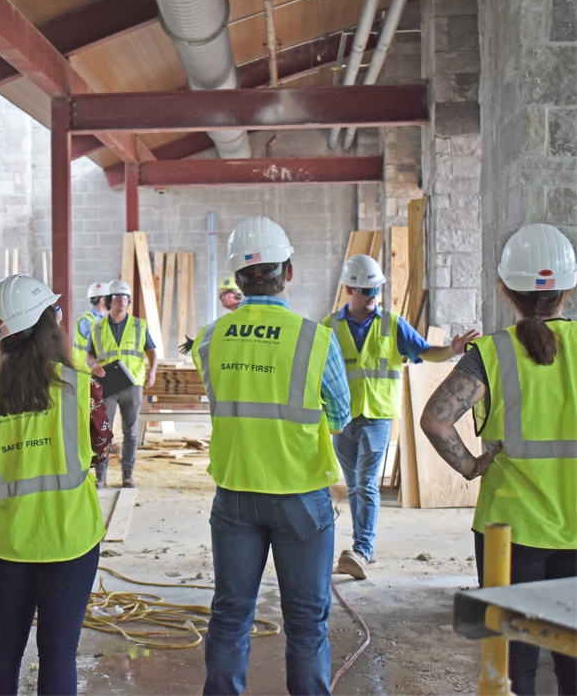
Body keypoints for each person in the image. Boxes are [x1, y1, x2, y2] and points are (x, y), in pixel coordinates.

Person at [193, 216, 351, 695]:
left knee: (230, 616)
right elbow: (340, 415)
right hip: (301, 496)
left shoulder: (209, 338)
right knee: (306, 623)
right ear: (290, 271)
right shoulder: (315, 339)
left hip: (236, 495)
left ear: (237, 279)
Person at [421, 223, 576, 696]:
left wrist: (470, 466)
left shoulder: (490, 354)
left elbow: (436, 420)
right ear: (568, 288)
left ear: (504, 289)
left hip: (509, 530)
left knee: (513, 660)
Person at [0, 274, 113, 696]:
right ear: (50, 323)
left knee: (4, 646)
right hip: (69, 536)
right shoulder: (80, 387)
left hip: (10, 536)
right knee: (59, 651)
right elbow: (99, 452)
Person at [326, 254, 478, 579]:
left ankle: (363, 549)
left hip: (377, 416)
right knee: (354, 485)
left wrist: (451, 349)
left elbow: (425, 352)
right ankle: (367, 547)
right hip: (341, 419)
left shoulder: (391, 324)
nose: (373, 297)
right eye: (366, 291)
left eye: (377, 290)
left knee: (366, 483)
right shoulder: (329, 327)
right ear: (349, 289)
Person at [86, 278, 158, 488]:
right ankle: (101, 476)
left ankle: (128, 474)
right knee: (102, 431)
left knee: (131, 431)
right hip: (107, 386)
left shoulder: (138, 325)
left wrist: (152, 372)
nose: (122, 300)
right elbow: (89, 355)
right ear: (108, 300)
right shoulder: (97, 327)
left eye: (125, 297)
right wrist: (92, 365)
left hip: (132, 383)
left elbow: (151, 351)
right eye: (118, 296)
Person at [73, 281, 108, 370]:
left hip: (96, 370)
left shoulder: (104, 320)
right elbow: (99, 345)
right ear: (102, 300)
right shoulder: (87, 320)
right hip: (86, 371)